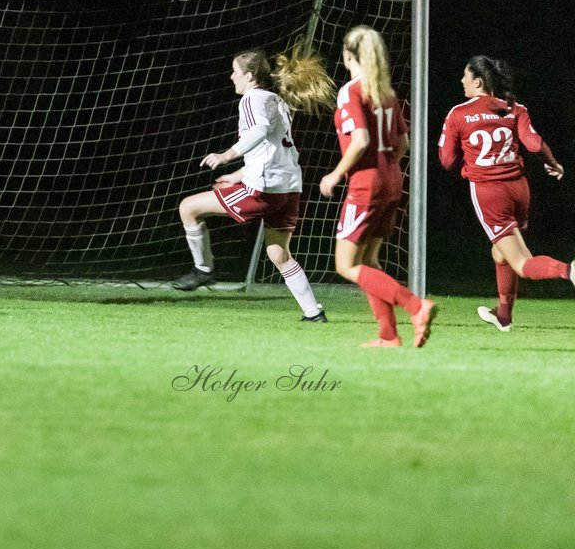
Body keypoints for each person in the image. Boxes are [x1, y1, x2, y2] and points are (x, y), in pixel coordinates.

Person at [171, 46, 335, 322]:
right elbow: (270, 150)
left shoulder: (251, 100)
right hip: (289, 188)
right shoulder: (277, 101)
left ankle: (203, 269)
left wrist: (227, 155)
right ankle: (313, 312)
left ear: (248, 75)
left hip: (263, 190)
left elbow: (258, 131)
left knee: (188, 208)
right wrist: (238, 176)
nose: (231, 77)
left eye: (235, 72)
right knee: (279, 254)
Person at [319, 25, 436, 347]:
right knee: (369, 262)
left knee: (346, 265)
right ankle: (388, 335)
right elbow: (403, 144)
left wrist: (335, 175)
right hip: (392, 179)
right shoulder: (386, 92)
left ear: (347, 54)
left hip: (366, 184)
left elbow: (360, 141)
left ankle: (416, 305)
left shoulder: (352, 91)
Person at [438, 55, 572, 331]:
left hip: (490, 193)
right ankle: (503, 316)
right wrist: (553, 163)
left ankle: (568, 271)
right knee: (500, 252)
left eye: (465, 76)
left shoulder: (459, 113)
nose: (462, 81)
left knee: (522, 262)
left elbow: (447, 161)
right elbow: (533, 144)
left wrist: (469, 161)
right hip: (519, 189)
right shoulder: (514, 108)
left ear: (477, 81)